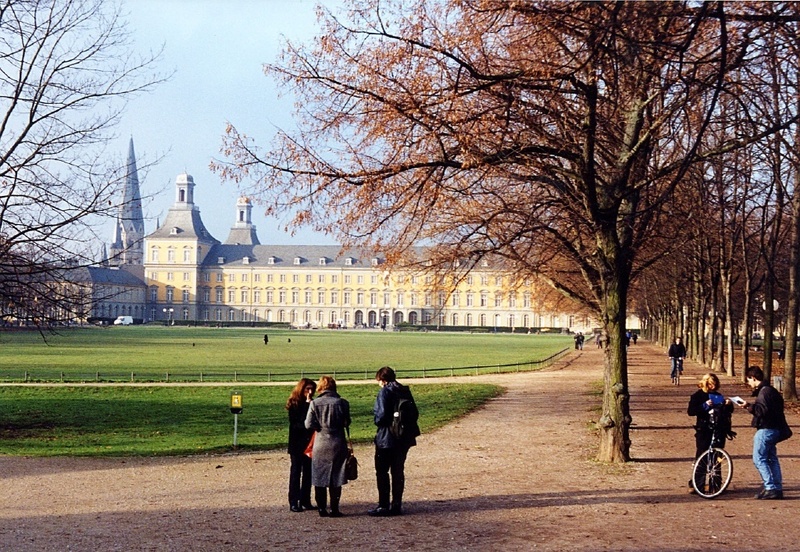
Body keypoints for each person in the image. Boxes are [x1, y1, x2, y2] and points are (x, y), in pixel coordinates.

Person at [368, 366, 419, 517]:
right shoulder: (404, 390)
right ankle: (396, 504)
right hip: (403, 438)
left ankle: (383, 505)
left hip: (387, 438)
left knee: (382, 471)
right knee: (398, 471)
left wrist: (377, 420)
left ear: (382, 380)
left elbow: (381, 416)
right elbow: (414, 413)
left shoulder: (385, 391)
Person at [305, 375, 351, 517]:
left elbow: (308, 424)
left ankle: (321, 508)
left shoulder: (315, 403)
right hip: (338, 442)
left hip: (321, 443)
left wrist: (319, 427)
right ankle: (335, 509)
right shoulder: (342, 403)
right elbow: (347, 422)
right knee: (336, 477)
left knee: (320, 476)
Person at [738, 366, 787, 500]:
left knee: (759, 458)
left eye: (749, 380)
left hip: (766, 429)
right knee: (771, 458)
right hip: (775, 428)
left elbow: (762, 411)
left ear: (753, 378)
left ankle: (770, 487)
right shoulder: (771, 390)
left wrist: (747, 406)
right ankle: (776, 487)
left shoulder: (764, 392)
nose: (748, 383)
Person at [686, 373, 733, 492]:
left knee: (717, 457)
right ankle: (697, 485)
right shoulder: (698, 396)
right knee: (702, 456)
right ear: (706, 383)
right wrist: (704, 406)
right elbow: (691, 411)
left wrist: (728, 405)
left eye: (715, 384)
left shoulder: (718, 396)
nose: (713, 386)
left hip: (718, 429)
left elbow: (726, 413)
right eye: (711, 384)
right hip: (704, 429)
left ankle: (715, 485)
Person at [286, 378, 316, 512]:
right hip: (297, 442)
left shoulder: (313, 403)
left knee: (308, 472)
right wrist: (308, 406)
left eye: (312, 389)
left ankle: (305, 499)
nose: (310, 392)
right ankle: (294, 501)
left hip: (309, 442)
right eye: (307, 389)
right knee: (296, 471)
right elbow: (298, 423)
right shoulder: (294, 403)